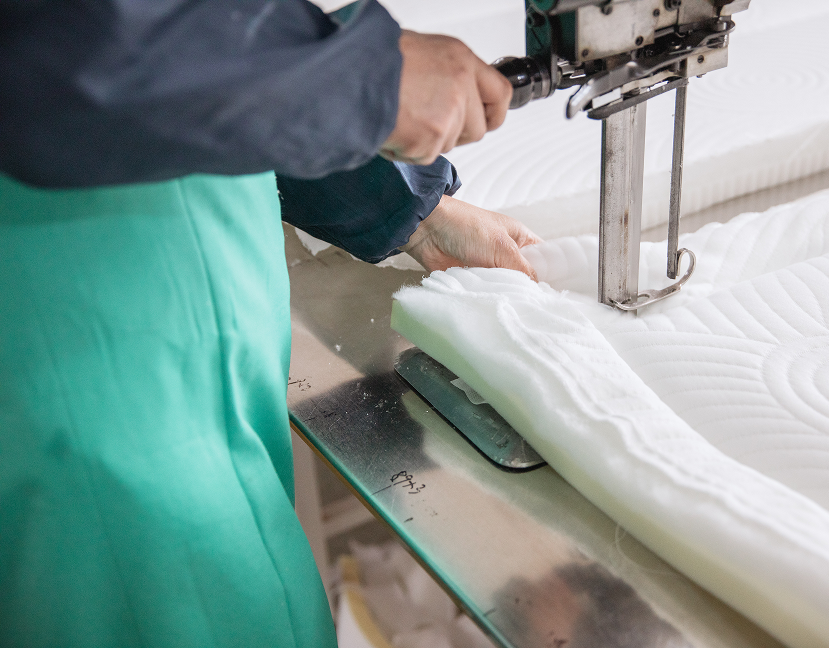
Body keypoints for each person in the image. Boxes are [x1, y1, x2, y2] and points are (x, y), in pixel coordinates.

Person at [0, 1, 540, 646]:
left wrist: (404, 202)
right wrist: (358, 81)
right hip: (100, 392)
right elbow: (70, 48)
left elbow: (194, 73)